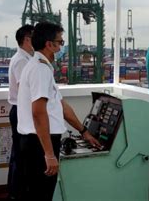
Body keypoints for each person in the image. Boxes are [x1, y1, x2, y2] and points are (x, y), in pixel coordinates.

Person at [17, 22, 101, 200]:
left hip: (38, 141)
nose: (62, 46)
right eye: (60, 42)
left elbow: (61, 106)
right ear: (49, 44)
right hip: (38, 144)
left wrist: (84, 131)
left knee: (39, 193)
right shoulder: (40, 69)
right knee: (40, 195)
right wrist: (49, 154)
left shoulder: (41, 66)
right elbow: (38, 113)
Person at [7, 24, 34, 200]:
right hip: (22, 111)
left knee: (19, 154)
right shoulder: (22, 61)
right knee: (21, 155)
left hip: (22, 111)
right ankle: (18, 194)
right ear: (26, 39)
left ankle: (16, 192)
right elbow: (26, 90)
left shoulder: (23, 59)